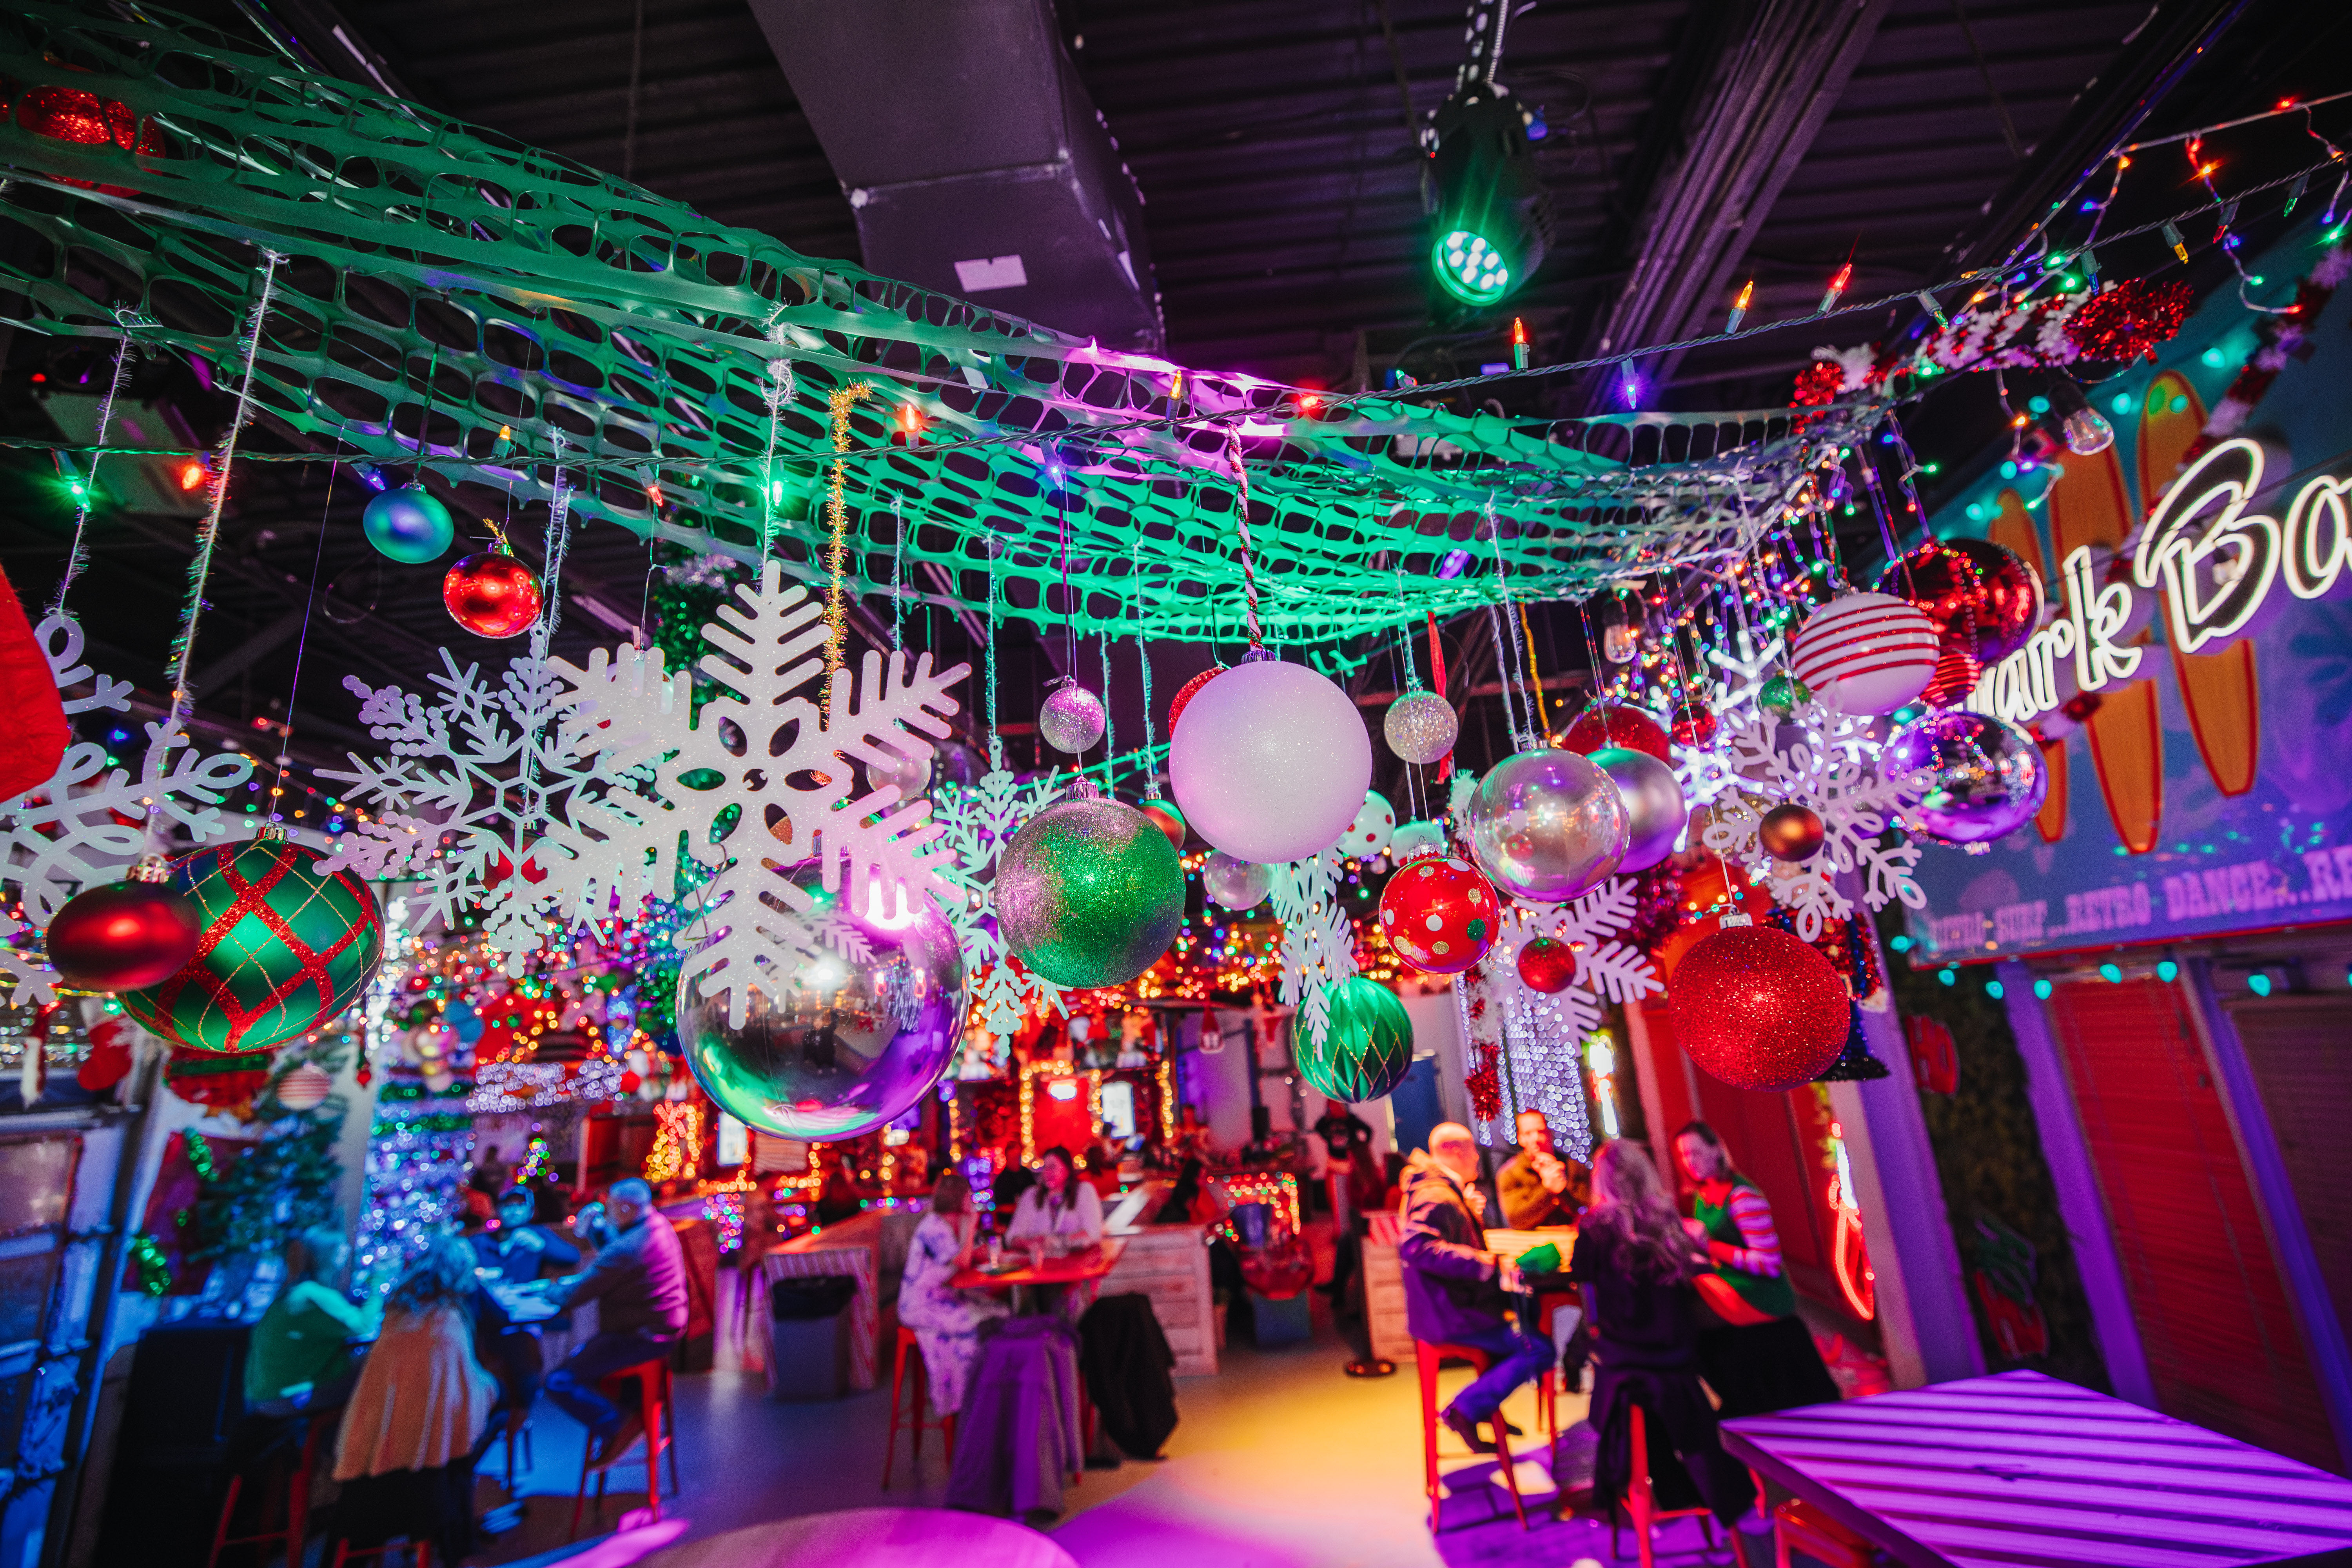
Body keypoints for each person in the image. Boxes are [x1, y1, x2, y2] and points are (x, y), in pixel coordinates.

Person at [1571, 1141, 1761, 1551]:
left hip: (1625, 1358)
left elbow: (1589, 1298)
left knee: (1625, 1394)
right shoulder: (1667, 1217)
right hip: (1674, 1356)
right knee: (1684, 1404)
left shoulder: (1593, 1227)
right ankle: (1725, 1504)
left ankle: (1664, 1494)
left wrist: (1594, 1338)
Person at [329, 1237, 499, 1568]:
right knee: (495, 1404)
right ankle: (456, 1528)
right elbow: (465, 1394)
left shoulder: (396, 1313)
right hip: (430, 1457)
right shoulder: (448, 1321)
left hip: (373, 1441)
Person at [1396, 1123, 1551, 1452]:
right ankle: (1466, 1409)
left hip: (1446, 1307)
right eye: (1473, 1152)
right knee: (1537, 1348)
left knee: (1523, 1321)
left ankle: (1485, 1408)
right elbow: (1416, 1246)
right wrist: (1485, 1263)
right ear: (1456, 1152)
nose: (1479, 1159)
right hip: (1450, 1314)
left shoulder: (1441, 1188)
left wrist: (1472, 1216)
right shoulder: (1436, 1194)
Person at [1672, 1121, 1841, 1417]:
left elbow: (1768, 1264)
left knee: (1688, 1320)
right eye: (1684, 1156)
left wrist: (1708, 1248)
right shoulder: (1704, 1195)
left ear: (1717, 1150)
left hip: (1761, 1295)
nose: (1690, 1162)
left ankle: (1737, 1402)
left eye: (1696, 1153)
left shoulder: (1742, 1197)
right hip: (1733, 1284)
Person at [530, 1177, 689, 1458]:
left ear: (626, 1209)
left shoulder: (628, 1248)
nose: (607, 1211)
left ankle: (619, 1425)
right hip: (665, 1326)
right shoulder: (656, 1224)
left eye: (612, 1207)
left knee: (559, 1381)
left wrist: (549, 1290)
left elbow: (578, 1294)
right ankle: (632, 1416)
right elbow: (616, 1261)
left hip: (642, 1335)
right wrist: (599, 1231)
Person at [897, 1171, 1011, 1414]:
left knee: (1000, 1312)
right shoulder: (934, 1227)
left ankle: (989, 1392)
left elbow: (966, 1258)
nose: (972, 1201)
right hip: (919, 1306)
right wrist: (971, 1223)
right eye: (969, 1196)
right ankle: (969, 1399)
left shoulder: (945, 1224)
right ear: (961, 1200)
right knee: (983, 1324)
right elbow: (962, 1261)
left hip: (940, 1297)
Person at [469, 1187, 581, 1412]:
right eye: (508, 1205)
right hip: (485, 1318)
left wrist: (541, 1246)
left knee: (523, 1349)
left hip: (521, 1317)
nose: (513, 1211)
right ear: (499, 1210)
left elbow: (573, 1257)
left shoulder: (537, 1236)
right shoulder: (480, 1242)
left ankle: (517, 1410)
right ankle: (494, 1406)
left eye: (520, 1206)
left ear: (531, 1211)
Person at [246, 1225, 373, 1412]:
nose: (348, 1250)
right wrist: (379, 1285)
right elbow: (364, 1326)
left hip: (261, 1398)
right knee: (377, 1360)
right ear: (329, 1255)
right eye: (342, 1246)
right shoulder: (314, 1295)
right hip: (286, 1399)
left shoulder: (295, 1292)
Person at [1496, 1109, 1591, 1230]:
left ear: (1550, 1133)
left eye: (1540, 1131)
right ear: (1521, 1139)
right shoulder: (1510, 1173)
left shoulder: (1575, 1168)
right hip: (1533, 1245)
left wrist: (1562, 1191)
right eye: (1528, 1133)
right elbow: (1517, 1221)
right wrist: (1549, 1191)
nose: (1536, 1138)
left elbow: (1589, 1211)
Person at [1006, 1145, 1104, 1247]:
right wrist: (1030, 1245)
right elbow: (1012, 1236)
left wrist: (1055, 1241)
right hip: (1039, 1261)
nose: (1047, 1172)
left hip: (1077, 1261)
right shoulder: (1031, 1195)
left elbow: (1094, 1234)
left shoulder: (1084, 1191)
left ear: (1067, 1169)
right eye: (1045, 1167)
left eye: (1052, 1167)